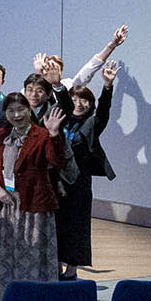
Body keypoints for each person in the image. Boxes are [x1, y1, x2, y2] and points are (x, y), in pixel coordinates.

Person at [0, 95, 67, 288]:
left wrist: (54, 135)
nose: (16, 115)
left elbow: (57, 162)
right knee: (5, 249)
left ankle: (31, 292)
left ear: (29, 110)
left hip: (32, 203)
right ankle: (6, 290)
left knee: (30, 249)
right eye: (11, 110)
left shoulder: (43, 134)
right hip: (4, 202)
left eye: (21, 109)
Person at [56, 60, 119, 280]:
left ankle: (72, 268)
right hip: (56, 179)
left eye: (84, 99)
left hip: (79, 182)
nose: (78, 103)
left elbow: (104, 112)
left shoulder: (92, 123)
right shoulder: (60, 119)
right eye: (74, 98)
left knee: (77, 224)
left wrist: (108, 86)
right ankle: (54, 264)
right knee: (55, 222)